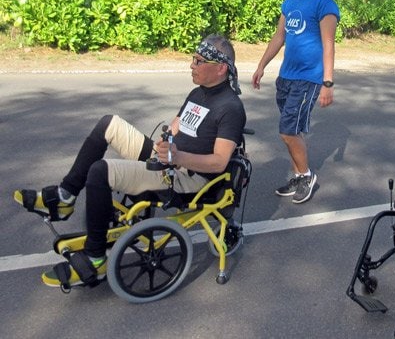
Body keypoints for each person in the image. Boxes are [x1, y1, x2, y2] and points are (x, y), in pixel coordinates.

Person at [14, 34, 247, 287]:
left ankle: (95, 260)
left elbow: (219, 162)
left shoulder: (230, 108)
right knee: (109, 124)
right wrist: (165, 141)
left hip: (189, 178)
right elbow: (176, 127)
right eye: (194, 59)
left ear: (221, 68)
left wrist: (177, 156)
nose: (192, 65)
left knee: (101, 171)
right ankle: (64, 197)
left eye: (199, 61)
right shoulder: (197, 94)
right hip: (169, 161)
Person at [252, 0, 340, 204]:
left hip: (309, 78)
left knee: (287, 130)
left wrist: (327, 82)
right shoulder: (289, 3)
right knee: (294, 130)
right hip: (286, 77)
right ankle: (298, 175)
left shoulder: (325, 4)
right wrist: (261, 65)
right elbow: (279, 37)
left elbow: (329, 44)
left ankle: (306, 175)